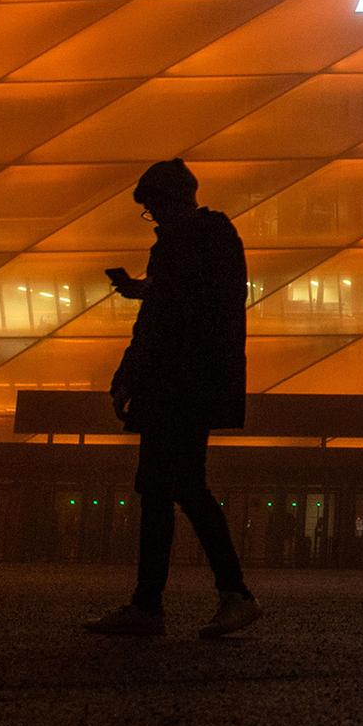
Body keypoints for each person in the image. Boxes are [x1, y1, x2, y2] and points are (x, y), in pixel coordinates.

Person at [84, 159, 262, 640]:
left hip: (175, 383)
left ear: (168, 200)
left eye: (153, 208)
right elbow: (193, 301)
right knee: (168, 488)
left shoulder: (182, 241)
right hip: (197, 381)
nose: (154, 218)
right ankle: (164, 601)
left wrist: (127, 375)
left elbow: (164, 320)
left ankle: (222, 596)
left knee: (177, 488)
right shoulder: (216, 238)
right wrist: (145, 288)